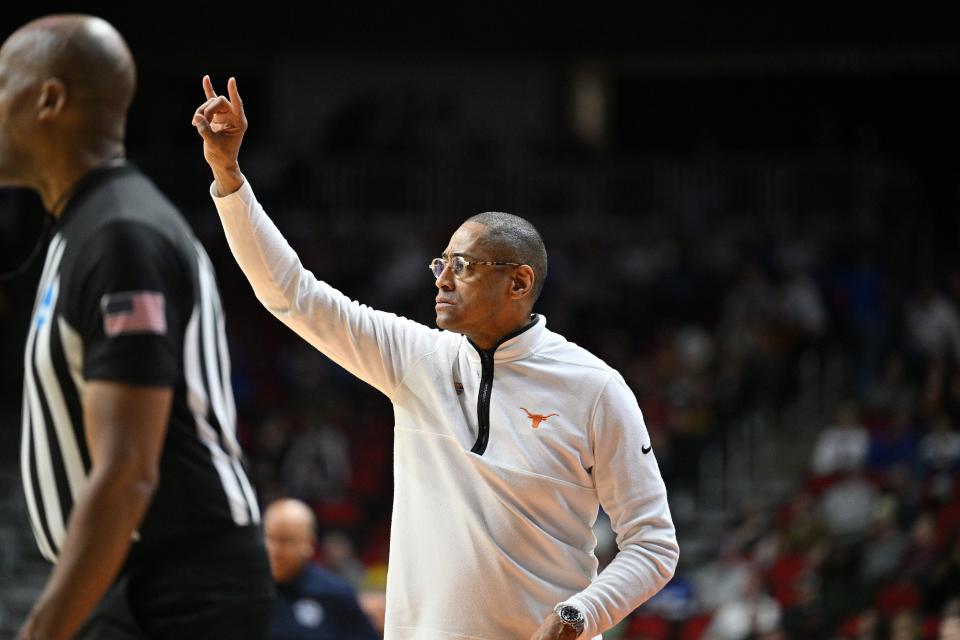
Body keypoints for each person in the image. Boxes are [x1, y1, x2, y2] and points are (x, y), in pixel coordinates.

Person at [192, 75, 678, 640]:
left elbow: (653, 543)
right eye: (440, 264)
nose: (442, 279)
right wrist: (228, 175)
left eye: (464, 266)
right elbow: (291, 293)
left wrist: (580, 614)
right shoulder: (414, 357)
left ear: (519, 281)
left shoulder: (595, 388)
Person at [0, 15, 272, 639]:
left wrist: (43, 630)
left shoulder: (121, 235)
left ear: (49, 99)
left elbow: (129, 472)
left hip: (179, 592)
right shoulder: (90, 225)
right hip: (134, 580)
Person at [264, 498, 379, 640]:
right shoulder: (248, 590)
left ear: (308, 544)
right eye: (269, 538)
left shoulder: (335, 594)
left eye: (285, 541)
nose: (274, 551)